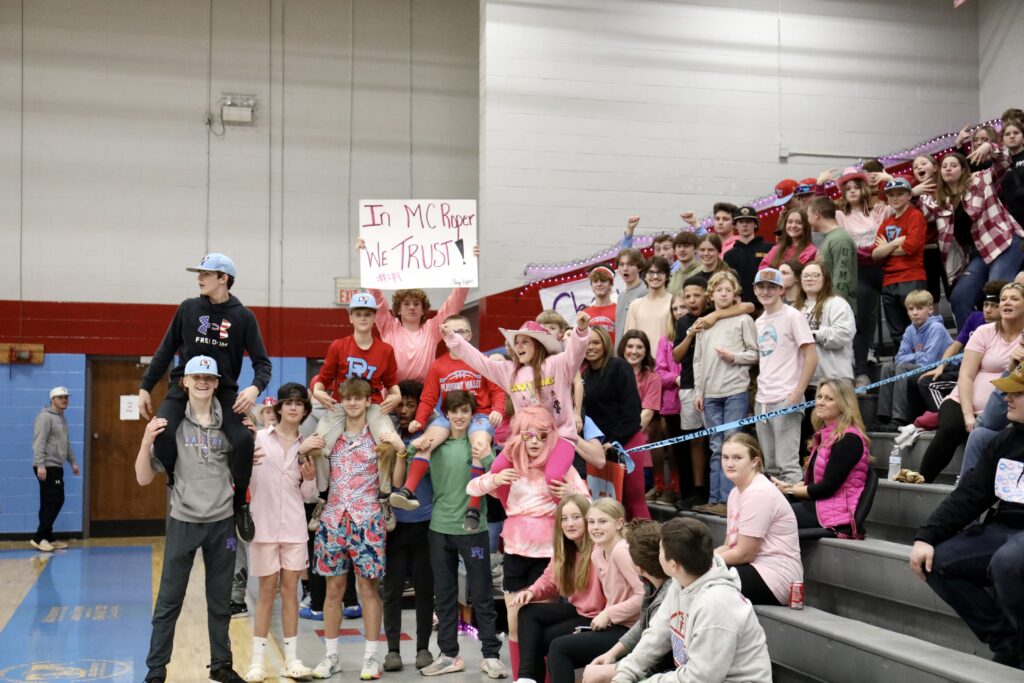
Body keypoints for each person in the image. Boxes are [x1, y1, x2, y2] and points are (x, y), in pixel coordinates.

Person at [139, 253, 272, 542]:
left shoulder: (243, 317)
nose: (199, 278)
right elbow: (165, 350)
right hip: (184, 386)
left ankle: (240, 504)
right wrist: (145, 386)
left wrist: (254, 388)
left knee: (244, 440)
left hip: (223, 389)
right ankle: (174, 480)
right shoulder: (188, 309)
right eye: (199, 273)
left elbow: (263, 363)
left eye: (206, 274)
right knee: (162, 432)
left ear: (223, 278)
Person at [135, 356, 244, 683]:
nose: (202, 382)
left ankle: (221, 666)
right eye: (196, 376)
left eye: (209, 378)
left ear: (216, 383)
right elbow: (142, 478)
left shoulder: (229, 423)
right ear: (184, 381)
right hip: (183, 521)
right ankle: (155, 671)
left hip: (222, 522)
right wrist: (144, 442)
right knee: (169, 600)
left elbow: (244, 463)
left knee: (221, 601)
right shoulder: (170, 425)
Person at [909, 363, 1024, 669]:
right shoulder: (1005, 441)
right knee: (937, 561)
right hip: (1005, 528)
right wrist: (926, 536)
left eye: (1017, 392)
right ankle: (1008, 642)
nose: (1006, 397)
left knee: (1008, 561)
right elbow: (969, 495)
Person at [467, 406, 589, 678]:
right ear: (519, 436)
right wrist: (495, 479)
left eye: (541, 436)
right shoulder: (511, 465)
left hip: (548, 556)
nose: (534, 442)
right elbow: (471, 488)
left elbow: (589, 506)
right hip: (514, 553)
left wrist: (571, 493)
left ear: (551, 437)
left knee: (537, 626)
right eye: (528, 435)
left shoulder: (563, 469)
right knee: (514, 623)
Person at [311, 377, 407, 680]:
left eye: (358, 398)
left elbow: (399, 481)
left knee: (367, 589)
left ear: (369, 402)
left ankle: (370, 657)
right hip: (332, 520)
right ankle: (331, 656)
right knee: (333, 590)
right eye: (348, 399)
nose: (352, 404)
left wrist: (400, 452)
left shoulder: (380, 437)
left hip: (368, 520)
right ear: (342, 401)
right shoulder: (331, 436)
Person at [408, 391, 506, 679]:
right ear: (446, 414)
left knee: (482, 593)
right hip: (439, 529)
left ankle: (490, 655)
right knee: (446, 595)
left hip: (473, 529)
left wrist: (487, 455)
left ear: (471, 414)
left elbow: (497, 475)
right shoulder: (435, 444)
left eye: (465, 411)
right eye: (454, 412)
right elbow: (411, 455)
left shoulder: (479, 441)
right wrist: (414, 443)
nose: (460, 417)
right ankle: (449, 654)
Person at [395, 314, 506, 528]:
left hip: (479, 415)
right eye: (450, 332)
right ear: (444, 337)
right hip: (449, 416)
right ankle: (408, 489)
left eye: (461, 331)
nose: (455, 336)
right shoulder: (438, 366)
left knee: (479, 446)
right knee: (426, 442)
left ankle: (473, 508)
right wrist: (419, 420)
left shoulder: (482, 360)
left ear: (470, 335)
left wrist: (498, 411)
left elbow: (497, 390)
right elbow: (428, 397)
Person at [244, 383, 319, 682]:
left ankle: (292, 659)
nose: (292, 407)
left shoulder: (308, 447)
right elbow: (241, 477)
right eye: (287, 403)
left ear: (304, 410)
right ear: (278, 409)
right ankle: (257, 662)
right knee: (265, 593)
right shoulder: (257, 439)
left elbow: (309, 496)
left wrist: (310, 479)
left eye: (298, 403)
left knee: (291, 593)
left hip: (294, 529)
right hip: (262, 527)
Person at [918, 282, 1024, 482]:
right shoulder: (985, 331)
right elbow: (966, 375)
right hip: (962, 401)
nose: (1006, 303)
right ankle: (922, 479)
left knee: (984, 434)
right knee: (950, 428)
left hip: (1002, 408)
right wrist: (968, 416)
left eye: (1014, 299)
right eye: (1003, 299)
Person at [920, 147, 1024, 328]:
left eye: (953, 165)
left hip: (1005, 242)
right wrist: (913, 191)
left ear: (963, 169)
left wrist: (990, 147)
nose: (948, 169)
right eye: (944, 166)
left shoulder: (979, 180)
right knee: (960, 297)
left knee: (995, 293)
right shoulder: (939, 201)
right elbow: (919, 210)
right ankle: (971, 346)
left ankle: (1003, 346)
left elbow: (1005, 162)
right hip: (979, 253)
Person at [544, 498, 644, 683]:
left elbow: (645, 596)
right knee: (556, 644)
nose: (595, 527)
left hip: (633, 629)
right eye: (591, 522)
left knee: (559, 648)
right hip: (616, 625)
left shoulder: (621, 551)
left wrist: (608, 614)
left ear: (619, 523)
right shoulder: (598, 553)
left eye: (602, 521)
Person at [509, 494, 604, 683]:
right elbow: (550, 579)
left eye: (576, 517)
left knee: (536, 641)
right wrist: (531, 592)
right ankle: (526, 678)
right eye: (564, 518)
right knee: (527, 612)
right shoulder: (565, 549)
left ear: (587, 519)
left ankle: (527, 677)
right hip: (579, 610)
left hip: (599, 617)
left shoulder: (599, 549)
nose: (570, 524)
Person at [309, 291, 401, 478]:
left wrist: (396, 396)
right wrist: (318, 392)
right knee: (316, 446)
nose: (363, 318)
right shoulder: (338, 346)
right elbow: (322, 381)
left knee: (389, 444)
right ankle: (322, 494)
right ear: (350, 317)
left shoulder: (385, 350)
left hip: (373, 404)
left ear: (375, 317)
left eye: (368, 314)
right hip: (342, 404)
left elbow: (392, 385)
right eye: (358, 314)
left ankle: (384, 493)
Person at [692, 271, 758, 516]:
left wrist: (734, 357)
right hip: (710, 394)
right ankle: (715, 499)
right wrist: (699, 391)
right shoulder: (705, 323)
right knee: (716, 446)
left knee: (732, 444)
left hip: (734, 391)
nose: (723, 294)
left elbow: (755, 353)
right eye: (718, 290)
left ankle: (731, 500)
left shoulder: (743, 320)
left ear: (735, 294)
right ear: (712, 294)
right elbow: (697, 361)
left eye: (727, 290)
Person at [382, 380, 436, 672]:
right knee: (391, 590)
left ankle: (424, 649)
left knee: (425, 589)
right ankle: (392, 651)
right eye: (400, 404)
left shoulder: (430, 436)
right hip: (393, 527)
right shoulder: (385, 436)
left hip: (425, 525)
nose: (404, 410)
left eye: (410, 404)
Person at [773, 380, 871, 537]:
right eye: (819, 397)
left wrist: (790, 491)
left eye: (829, 399)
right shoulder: (826, 435)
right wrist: (789, 486)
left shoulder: (849, 440)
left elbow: (826, 488)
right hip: (820, 505)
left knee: (768, 516)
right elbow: (814, 482)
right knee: (764, 505)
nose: (820, 402)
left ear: (844, 405)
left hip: (835, 514)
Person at [583, 520, 674, 683]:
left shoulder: (666, 597)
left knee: (592, 674)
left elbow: (653, 656)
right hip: (650, 660)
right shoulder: (650, 584)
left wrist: (613, 671)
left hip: (663, 668)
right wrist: (612, 653)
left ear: (638, 567)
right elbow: (643, 624)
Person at [716, 434, 802, 606]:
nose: (729, 464)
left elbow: (745, 553)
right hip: (753, 566)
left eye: (737, 458)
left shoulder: (758, 493)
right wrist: (699, 559)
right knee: (691, 576)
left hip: (776, 576)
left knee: (703, 582)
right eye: (725, 457)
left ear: (754, 462)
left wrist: (702, 562)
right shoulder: (735, 492)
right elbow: (729, 545)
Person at [819, 167, 887, 383]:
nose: (852, 191)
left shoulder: (878, 211)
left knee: (878, 317)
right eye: (847, 188)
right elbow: (821, 208)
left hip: (882, 267)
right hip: (859, 269)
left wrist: (888, 179)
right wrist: (820, 186)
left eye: (856, 187)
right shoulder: (840, 215)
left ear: (864, 189)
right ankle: (860, 372)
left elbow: (900, 206)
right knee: (862, 320)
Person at [752, 268, 818, 483]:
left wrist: (797, 394)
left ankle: (795, 513)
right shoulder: (759, 322)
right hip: (763, 399)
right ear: (754, 290)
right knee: (770, 466)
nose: (766, 291)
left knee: (787, 464)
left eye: (771, 287)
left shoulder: (793, 316)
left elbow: (811, 355)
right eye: (761, 286)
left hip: (786, 397)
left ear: (781, 290)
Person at [582, 327, 650, 520]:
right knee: (610, 502)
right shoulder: (585, 375)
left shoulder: (619, 366)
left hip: (626, 441)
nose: (591, 347)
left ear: (605, 343)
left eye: (596, 342)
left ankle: (648, 544)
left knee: (633, 498)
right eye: (586, 343)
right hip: (600, 448)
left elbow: (632, 410)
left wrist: (614, 441)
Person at [874, 290, 952, 431]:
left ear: (930, 309)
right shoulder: (910, 330)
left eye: (920, 308)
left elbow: (929, 361)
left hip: (942, 369)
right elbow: (899, 357)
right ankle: (884, 416)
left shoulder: (937, 328)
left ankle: (899, 418)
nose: (915, 312)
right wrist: (919, 354)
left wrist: (914, 356)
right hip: (920, 365)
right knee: (887, 367)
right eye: (911, 309)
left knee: (902, 368)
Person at [365, 282, 469, 384]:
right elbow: (376, 299)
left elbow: (453, 304)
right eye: (406, 303)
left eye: (416, 303)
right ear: (398, 310)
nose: (411, 307)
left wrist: (464, 280)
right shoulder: (388, 326)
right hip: (393, 393)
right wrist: (370, 275)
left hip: (422, 394)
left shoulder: (432, 329)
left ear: (423, 310)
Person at [872, 177, 928, 344]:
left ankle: (920, 367)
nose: (894, 198)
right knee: (897, 333)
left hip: (911, 277)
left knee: (917, 327)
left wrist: (886, 249)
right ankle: (903, 367)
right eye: (890, 195)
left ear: (909, 195)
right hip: (889, 281)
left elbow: (910, 247)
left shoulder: (915, 216)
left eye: (900, 194)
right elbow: (875, 254)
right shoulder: (886, 222)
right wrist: (896, 243)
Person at [30, 386, 79, 553]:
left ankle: (48, 537)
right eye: (60, 397)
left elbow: (66, 443)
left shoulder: (61, 418)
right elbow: (39, 442)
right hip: (47, 466)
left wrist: (72, 461)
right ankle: (39, 537)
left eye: (66, 397)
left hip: (56, 466)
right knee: (56, 500)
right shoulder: (45, 417)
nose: (64, 400)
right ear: (52, 400)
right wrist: (40, 464)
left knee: (48, 501)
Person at [796, 262, 855, 388]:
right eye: (805, 275)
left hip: (835, 380)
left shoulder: (837, 303)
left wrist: (813, 335)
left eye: (815, 275)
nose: (809, 278)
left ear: (825, 279)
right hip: (804, 381)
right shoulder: (795, 309)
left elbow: (843, 334)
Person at [652, 297, 685, 505]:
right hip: (672, 402)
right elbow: (660, 372)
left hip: (693, 401)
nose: (679, 311)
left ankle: (683, 488)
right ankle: (669, 488)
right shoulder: (666, 340)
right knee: (672, 449)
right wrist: (677, 378)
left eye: (682, 307)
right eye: (675, 308)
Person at [807, 197, 858, 315]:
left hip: (838, 311)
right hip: (827, 306)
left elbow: (842, 279)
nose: (808, 220)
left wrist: (835, 308)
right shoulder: (829, 238)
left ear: (816, 215)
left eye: (808, 215)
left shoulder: (840, 239)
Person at [723, 206, 770, 306]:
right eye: (741, 222)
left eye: (748, 221)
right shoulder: (729, 255)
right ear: (735, 225)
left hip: (765, 303)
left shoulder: (769, 249)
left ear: (755, 224)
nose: (744, 225)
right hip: (739, 306)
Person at [625, 256, 673, 348]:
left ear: (666, 276)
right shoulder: (635, 305)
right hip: (641, 360)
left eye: (659, 272)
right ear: (645, 276)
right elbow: (629, 339)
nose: (655, 276)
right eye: (651, 272)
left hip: (666, 360)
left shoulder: (673, 302)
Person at [615, 242, 648, 341]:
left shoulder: (644, 292)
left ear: (639, 267)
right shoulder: (621, 296)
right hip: (620, 351)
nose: (625, 268)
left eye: (630, 264)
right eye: (621, 264)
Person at [584, 266, 618, 343]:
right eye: (595, 281)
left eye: (603, 281)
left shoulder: (619, 310)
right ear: (592, 286)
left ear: (610, 284)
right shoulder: (585, 314)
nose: (599, 284)